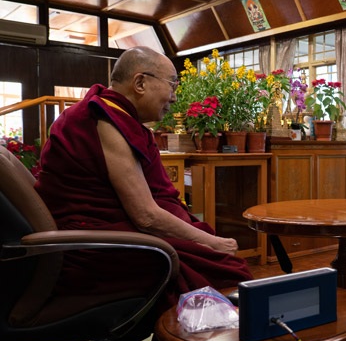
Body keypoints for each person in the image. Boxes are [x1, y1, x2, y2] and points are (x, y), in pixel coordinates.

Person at [34, 47, 253, 311]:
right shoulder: (105, 120)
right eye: (172, 85)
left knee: (209, 255)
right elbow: (146, 216)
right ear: (140, 82)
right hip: (91, 249)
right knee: (227, 270)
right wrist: (211, 242)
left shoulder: (114, 115)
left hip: (105, 233)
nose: (174, 97)